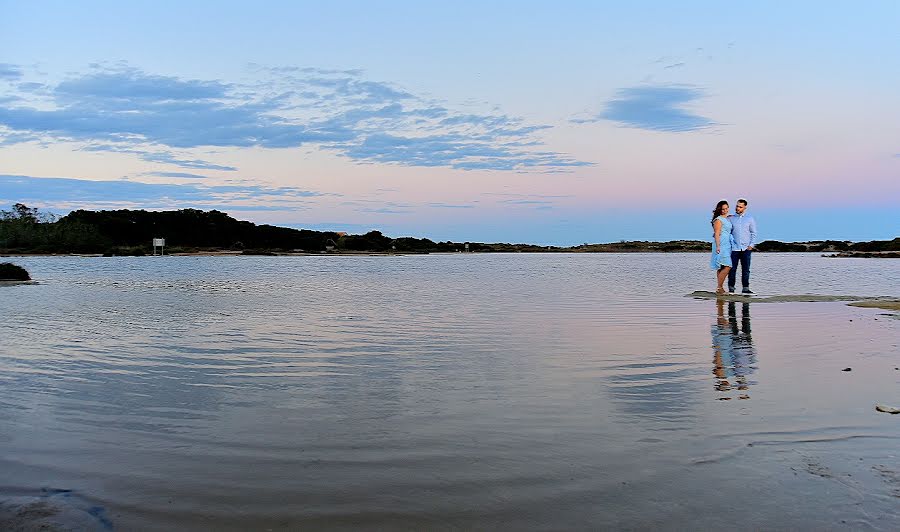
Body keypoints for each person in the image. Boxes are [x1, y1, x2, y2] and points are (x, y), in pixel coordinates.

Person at [728, 198, 757, 293]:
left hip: (746, 249)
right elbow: (728, 232)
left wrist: (751, 245)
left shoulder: (749, 219)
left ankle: (746, 288)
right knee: (732, 269)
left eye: (740, 207)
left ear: (745, 207)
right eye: (737, 206)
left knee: (746, 269)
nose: (738, 208)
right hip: (734, 249)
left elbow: (753, 233)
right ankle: (731, 288)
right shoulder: (731, 218)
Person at [709, 200, 733, 294]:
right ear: (719, 210)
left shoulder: (726, 218)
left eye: (726, 208)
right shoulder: (718, 220)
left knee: (722, 267)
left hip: (727, 244)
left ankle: (720, 288)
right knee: (728, 266)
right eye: (723, 209)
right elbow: (717, 233)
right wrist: (718, 246)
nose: (725, 210)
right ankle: (719, 287)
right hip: (721, 244)